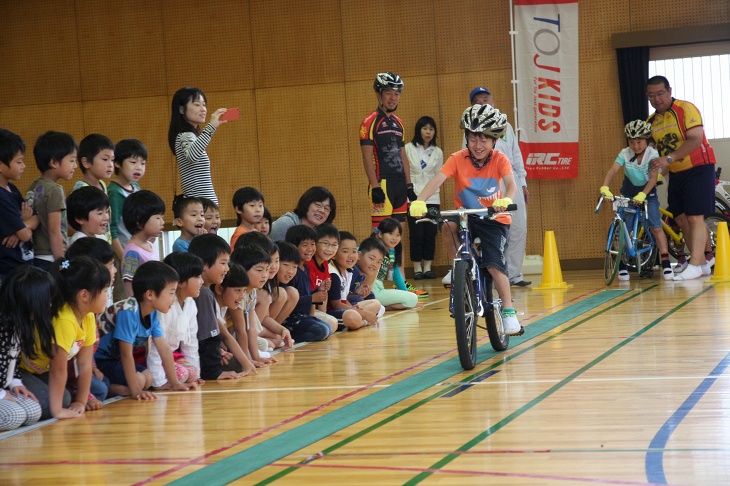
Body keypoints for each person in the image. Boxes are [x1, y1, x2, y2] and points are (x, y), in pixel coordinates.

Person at [409, 104, 523, 336]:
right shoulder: (457, 158)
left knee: (493, 264)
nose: (478, 146)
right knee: (447, 225)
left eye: (484, 140)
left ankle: (509, 311)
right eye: (472, 139)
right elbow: (437, 180)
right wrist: (419, 200)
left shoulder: (499, 159)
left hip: (494, 218)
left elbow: (511, 184)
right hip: (466, 217)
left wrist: (506, 200)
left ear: (494, 141)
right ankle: (457, 265)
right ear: (466, 139)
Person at [455, 87, 530, 288]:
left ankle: (513, 274)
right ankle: (489, 271)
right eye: (478, 101)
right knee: (492, 226)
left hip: (509, 178)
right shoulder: (471, 130)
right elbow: (465, 159)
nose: (484, 103)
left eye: (486, 99)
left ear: (494, 101)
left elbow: (516, 156)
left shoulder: (507, 126)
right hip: (485, 180)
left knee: (518, 226)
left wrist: (522, 182)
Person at [20, 256, 110, 420]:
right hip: (22, 371)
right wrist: (57, 412)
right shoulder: (64, 320)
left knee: (80, 395)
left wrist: (82, 402)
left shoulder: (88, 317)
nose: (108, 296)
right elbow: (58, 369)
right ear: (84, 295)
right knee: (56, 403)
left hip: (42, 371)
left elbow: (84, 364)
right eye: (105, 290)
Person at [647, 76, 717, 281]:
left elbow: (695, 139)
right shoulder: (651, 122)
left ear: (669, 91)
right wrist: (653, 176)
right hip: (676, 172)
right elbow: (652, 153)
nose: (657, 98)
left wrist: (669, 158)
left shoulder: (686, 109)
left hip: (699, 167)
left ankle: (695, 263)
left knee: (696, 216)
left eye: (660, 93)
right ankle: (703, 262)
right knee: (680, 218)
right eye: (651, 95)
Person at [95, 261, 197, 400]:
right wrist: (136, 391)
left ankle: (123, 389)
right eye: (171, 293)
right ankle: (110, 390)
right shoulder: (128, 312)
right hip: (100, 361)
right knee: (140, 381)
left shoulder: (152, 313)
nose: (173, 299)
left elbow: (164, 349)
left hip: (114, 361)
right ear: (150, 295)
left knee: (149, 377)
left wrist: (175, 383)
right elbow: (126, 354)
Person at [600, 120, 673, 281]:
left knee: (655, 227)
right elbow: (613, 170)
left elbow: (653, 178)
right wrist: (605, 187)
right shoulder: (625, 153)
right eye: (631, 142)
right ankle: (622, 265)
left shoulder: (652, 154)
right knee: (623, 228)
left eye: (639, 142)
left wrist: (643, 195)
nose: (635, 146)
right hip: (628, 193)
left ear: (646, 141)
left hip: (648, 193)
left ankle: (667, 263)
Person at [187, 234, 253, 380]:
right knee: (234, 364)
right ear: (204, 264)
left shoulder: (204, 291)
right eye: (223, 263)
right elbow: (207, 339)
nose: (227, 269)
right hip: (192, 361)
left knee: (236, 362)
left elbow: (223, 335)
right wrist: (213, 372)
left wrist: (247, 363)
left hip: (193, 357)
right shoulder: (203, 293)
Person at [0, 266, 55, 430]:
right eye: (46, 301)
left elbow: (12, 361)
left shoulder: (17, 324)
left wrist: (15, 383)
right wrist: (2, 395)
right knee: (13, 416)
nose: (50, 305)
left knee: (33, 412)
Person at [65, 237, 117, 405]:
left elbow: (86, 351)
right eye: (111, 265)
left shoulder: (89, 310)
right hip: (61, 371)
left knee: (103, 384)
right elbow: (71, 360)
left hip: (76, 368)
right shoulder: (68, 315)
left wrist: (92, 366)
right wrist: (84, 398)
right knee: (100, 389)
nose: (115, 270)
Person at [360, 72, 415, 228]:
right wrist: (375, 187)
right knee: (380, 237)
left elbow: (403, 155)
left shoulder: (399, 123)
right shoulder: (369, 121)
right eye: (389, 93)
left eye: (397, 94)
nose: (393, 98)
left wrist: (409, 185)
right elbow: (366, 157)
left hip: (400, 184)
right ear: (379, 94)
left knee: (397, 237)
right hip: (381, 183)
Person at [148, 252, 206, 389]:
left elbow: (191, 342)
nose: (202, 282)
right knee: (182, 374)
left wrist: (196, 376)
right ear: (180, 282)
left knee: (191, 373)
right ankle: (158, 378)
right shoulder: (164, 306)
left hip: (173, 356)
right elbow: (154, 348)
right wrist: (160, 383)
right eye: (197, 277)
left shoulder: (190, 304)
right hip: (155, 356)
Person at [168, 87, 230, 205]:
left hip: (204, 206)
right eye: (197, 105)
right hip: (200, 207)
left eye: (204, 105)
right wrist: (211, 126)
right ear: (181, 109)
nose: (203, 109)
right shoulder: (185, 135)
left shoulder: (190, 136)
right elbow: (192, 155)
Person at [25, 131, 78, 270]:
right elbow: (54, 231)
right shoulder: (55, 190)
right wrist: (63, 263)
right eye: (72, 160)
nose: (75, 166)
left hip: (35, 255)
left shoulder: (34, 185)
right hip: (52, 257)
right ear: (54, 162)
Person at [405, 116, 443, 280]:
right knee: (416, 234)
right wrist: (410, 193)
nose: (428, 132)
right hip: (413, 198)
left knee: (430, 233)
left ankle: (427, 267)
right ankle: (417, 268)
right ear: (418, 130)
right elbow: (405, 173)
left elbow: (439, 175)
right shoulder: (408, 148)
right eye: (425, 128)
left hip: (433, 198)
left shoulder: (438, 151)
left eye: (431, 129)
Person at [282, 225, 335, 342]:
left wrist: (318, 291)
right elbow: (290, 301)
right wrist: (312, 298)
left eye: (313, 244)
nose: (310, 249)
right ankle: (289, 338)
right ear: (294, 246)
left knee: (329, 328)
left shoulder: (305, 268)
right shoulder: (291, 272)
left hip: (303, 316)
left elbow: (305, 293)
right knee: (322, 331)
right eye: (305, 245)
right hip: (291, 318)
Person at [0, 129, 37, 279]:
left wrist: (21, 225)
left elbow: (36, 217)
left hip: (22, 266)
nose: (24, 166)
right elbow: (26, 234)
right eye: (19, 161)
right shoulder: (2, 197)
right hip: (9, 272)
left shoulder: (12, 188)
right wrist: (22, 228)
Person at [327, 231, 382, 329]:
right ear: (334, 254)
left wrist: (354, 308)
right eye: (345, 251)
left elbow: (345, 299)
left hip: (344, 308)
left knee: (376, 304)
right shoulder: (333, 274)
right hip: (332, 312)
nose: (351, 255)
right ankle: (362, 322)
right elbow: (336, 305)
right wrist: (361, 312)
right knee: (352, 316)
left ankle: (360, 321)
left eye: (353, 251)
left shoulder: (348, 272)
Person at [370, 218, 423, 309]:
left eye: (398, 235)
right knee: (412, 299)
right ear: (380, 234)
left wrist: (406, 295)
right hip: (370, 292)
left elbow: (397, 277)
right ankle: (382, 307)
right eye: (390, 234)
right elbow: (358, 252)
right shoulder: (369, 248)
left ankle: (380, 306)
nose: (394, 238)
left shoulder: (391, 254)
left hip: (379, 290)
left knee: (412, 298)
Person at [121, 190, 165, 297]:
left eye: (162, 218)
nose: (162, 222)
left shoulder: (149, 244)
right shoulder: (133, 252)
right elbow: (129, 289)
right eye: (158, 218)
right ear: (139, 221)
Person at [108, 138, 146, 261]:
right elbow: (112, 230)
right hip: (124, 253)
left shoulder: (135, 187)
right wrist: (124, 259)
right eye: (133, 162)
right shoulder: (115, 192)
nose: (139, 168)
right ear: (117, 163)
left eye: (143, 163)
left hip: (137, 250)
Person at [269, 186, 337, 241]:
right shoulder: (286, 224)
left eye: (327, 208)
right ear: (306, 203)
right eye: (318, 205)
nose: (322, 210)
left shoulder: (319, 231)